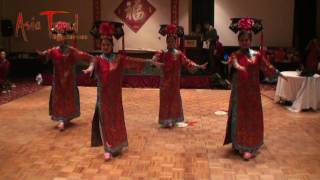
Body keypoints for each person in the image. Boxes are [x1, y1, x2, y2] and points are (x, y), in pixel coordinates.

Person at [83, 21, 154, 160]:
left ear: (112, 45)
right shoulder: (98, 59)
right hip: (102, 98)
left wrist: (149, 62)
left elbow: (133, 61)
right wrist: (89, 69)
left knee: (116, 120)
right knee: (105, 121)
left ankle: (117, 144)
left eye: (108, 45)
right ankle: (107, 148)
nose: (105, 47)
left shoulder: (119, 59)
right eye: (103, 45)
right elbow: (92, 64)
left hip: (115, 98)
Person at [224, 18, 285, 160]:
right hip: (239, 94)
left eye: (247, 40)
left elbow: (267, 66)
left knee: (251, 119)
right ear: (239, 41)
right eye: (242, 40)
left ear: (251, 41)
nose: (245, 42)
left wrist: (277, 72)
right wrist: (238, 66)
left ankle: (249, 146)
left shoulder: (257, 55)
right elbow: (232, 63)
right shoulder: (235, 55)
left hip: (252, 95)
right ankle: (238, 143)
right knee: (239, 118)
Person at [36, 21, 93, 131]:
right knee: (59, 99)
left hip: (69, 81)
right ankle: (62, 119)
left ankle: (65, 118)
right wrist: (41, 55)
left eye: (61, 35)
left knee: (68, 99)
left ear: (65, 37)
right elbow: (44, 57)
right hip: (57, 81)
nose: (58, 37)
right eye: (57, 35)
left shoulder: (72, 51)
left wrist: (91, 65)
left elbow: (88, 57)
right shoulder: (53, 51)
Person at [153, 24, 207, 128]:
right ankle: (165, 120)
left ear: (176, 42)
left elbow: (188, 62)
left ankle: (174, 118)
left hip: (175, 84)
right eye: (169, 41)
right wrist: (155, 62)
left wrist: (199, 66)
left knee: (175, 100)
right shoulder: (162, 52)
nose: (171, 43)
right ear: (166, 41)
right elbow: (154, 59)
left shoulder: (179, 54)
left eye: (173, 41)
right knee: (165, 100)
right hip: (165, 82)